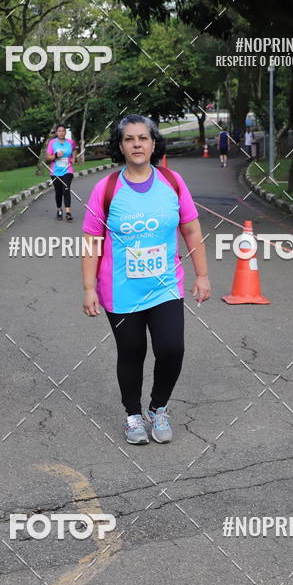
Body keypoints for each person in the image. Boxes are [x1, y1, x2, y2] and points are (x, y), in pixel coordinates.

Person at [81, 114, 211, 445]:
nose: (137, 144)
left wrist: (203, 275)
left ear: (154, 143)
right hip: (121, 290)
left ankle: (157, 407)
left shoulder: (173, 181)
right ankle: (133, 416)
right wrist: (87, 288)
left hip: (165, 285)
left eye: (143, 138)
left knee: (172, 348)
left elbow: (191, 228)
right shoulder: (107, 188)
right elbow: (92, 241)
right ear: (120, 146)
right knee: (132, 352)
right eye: (129, 139)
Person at [46, 123, 77, 221]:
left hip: (67, 170)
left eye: (63, 131)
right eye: (59, 131)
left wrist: (73, 158)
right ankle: (59, 210)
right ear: (56, 132)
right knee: (58, 192)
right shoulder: (52, 143)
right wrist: (56, 155)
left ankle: (68, 212)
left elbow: (75, 150)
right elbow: (48, 157)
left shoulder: (70, 142)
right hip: (55, 171)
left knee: (66, 189)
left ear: (65, 132)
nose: (61, 133)